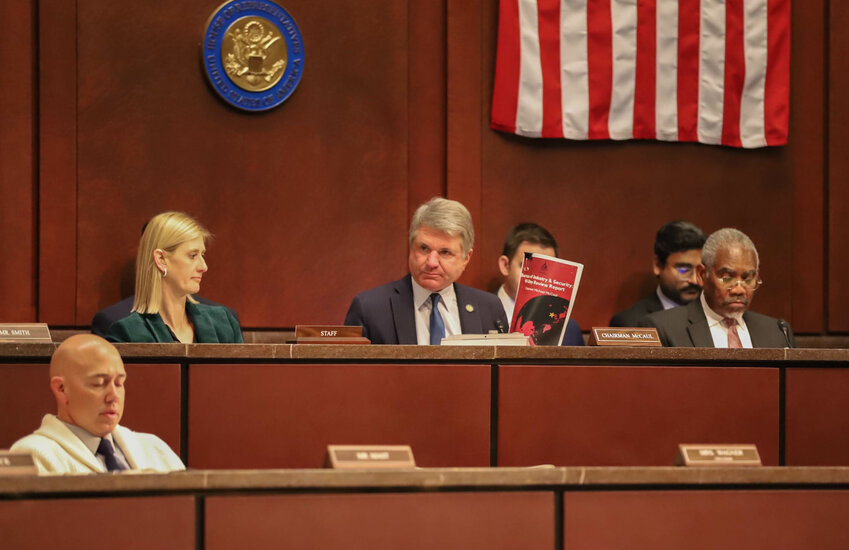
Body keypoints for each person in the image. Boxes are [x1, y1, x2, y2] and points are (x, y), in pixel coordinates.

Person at [10, 334, 185, 474]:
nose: (113, 396)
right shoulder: (32, 455)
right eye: (99, 383)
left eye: (119, 383)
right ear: (62, 388)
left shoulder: (153, 447)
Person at [344, 197, 508, 344]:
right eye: (424, 248)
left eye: (445, 252)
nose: (431, 262)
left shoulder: (488, 309)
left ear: (466, 258)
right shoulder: (370, 308)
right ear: (410, 247)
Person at [638, 228, 795, 348]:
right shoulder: (663, 329)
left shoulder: (778, 332)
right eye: (727, 278)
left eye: (747, 279)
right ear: (701, 274)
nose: (739, 290)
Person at [105, 212, 243, 343]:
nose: (204, 267)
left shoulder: (224, 323)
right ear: (161, 259)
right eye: (192, 255)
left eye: (203, 255)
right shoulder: (126, 333)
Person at [496, 223, 584, 345]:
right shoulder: (480, 316)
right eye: (528, 267)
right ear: (505, 265)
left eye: (548, 270)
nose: (538, 278)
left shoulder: (569, 329)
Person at [609, 220, 706, 327]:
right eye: (683, 270)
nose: (694, 280)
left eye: (700, 271)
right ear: (658, 265)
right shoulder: (632, 322)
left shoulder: (715, 317)